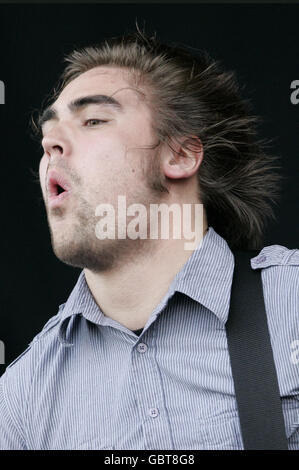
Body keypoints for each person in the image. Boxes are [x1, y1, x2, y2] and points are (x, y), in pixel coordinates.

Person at [0, 27, 298, 450]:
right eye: (49, 134)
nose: (51, 144)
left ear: (179, 155)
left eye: (93, 120)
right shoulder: (21, 396)